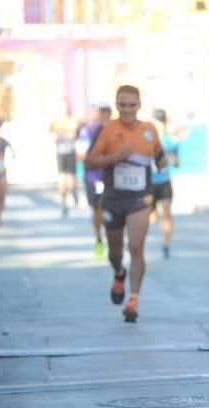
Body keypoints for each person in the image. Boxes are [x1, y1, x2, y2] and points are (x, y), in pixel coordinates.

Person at [85, 85, 166, 322]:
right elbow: (89, 162)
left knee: (137, 247)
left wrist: (163, 162)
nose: (127, 109)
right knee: (115, 253)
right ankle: (119, 272)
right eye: (123, 104)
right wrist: (115, 157)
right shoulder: (107, 129)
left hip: (139, 199)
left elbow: (159, 155)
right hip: (112, 199)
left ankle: (133, 300)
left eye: (132, 105)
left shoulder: (149, 130)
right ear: (116, 105)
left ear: (139, 106)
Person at [76, 105, 112, 260]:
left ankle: (113, 242)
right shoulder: (89, 130)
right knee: (97, 210)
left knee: (112, 211)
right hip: (94, 178)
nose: (104, 116)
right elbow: (80, 155)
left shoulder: (116, 130)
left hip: (112, 179)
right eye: (101, 112)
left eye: (107, 112)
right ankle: (99, 240)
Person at [149, 108, 180, 259]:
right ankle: (153, 214)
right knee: (153, 217)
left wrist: (173, 160)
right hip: (149, 183)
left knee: (166, 214)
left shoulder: (170, 141)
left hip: (164, 181)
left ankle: (165, 244)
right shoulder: (147, 139)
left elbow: (176, 161)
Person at [50, 100, 80, 218]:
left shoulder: (71, 120)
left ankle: (68, 199)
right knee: (65, 176)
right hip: (64, 151)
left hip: (67, 151)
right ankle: (67, 200)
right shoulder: (65, 120)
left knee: (66, 176)